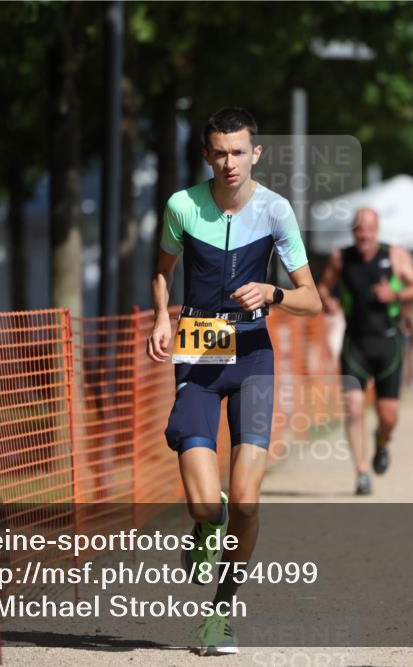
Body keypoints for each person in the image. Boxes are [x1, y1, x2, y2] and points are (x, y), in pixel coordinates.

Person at [147, 107, 321, 656]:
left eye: (239, 152)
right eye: (219, 152)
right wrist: (159, 316)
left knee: (246, 502)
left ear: (256, 154)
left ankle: (220, 613)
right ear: (206, 155)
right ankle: (206, 521)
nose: (229, 163)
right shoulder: (181, 206)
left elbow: (312, 300)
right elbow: (162, 270)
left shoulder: (276, 211)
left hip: (252, 359)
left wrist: (272, 294)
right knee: (206, 507)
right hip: (197, 360)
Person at [317, 208, 413, 495]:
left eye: (369, 230)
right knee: (353, 407)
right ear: (353, 231)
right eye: (359, 230)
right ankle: (361, 471)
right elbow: (323, 287)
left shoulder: (396, 255)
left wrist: (396, 294)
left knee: (388, 417)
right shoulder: (340, 257)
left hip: (389, 342)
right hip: (356, 344)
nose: (364, 236)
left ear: (377, 230)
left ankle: (382, 440)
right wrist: (328, 301)